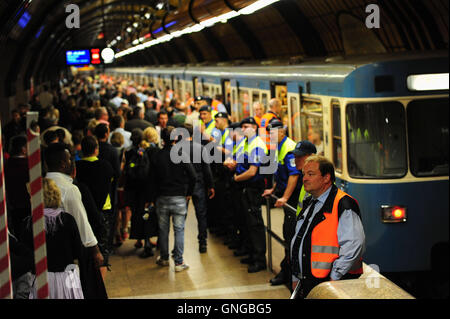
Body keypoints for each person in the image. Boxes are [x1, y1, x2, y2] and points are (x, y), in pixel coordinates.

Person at [291, 155, 365, 299]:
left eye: (310, 174)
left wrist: (334, 278)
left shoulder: (343, 204)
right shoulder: (310, 202)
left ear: (326, 178)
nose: (304, 178)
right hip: (309, 282)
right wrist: (296, 278)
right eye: (304, 174)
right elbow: (299, 240)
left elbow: (355, 245)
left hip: (330, 285)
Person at [44, 143, 106, 298]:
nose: (72, 162)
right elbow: (81, 221)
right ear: (63, 163)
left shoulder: (40, 186)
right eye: (70, 159)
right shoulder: (68, 189)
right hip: (70, 251)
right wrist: (95, 250)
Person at [22, 178, 84, 299]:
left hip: (42, 280)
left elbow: (26, 256)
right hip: (67, 278)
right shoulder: (68, 220)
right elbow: (78, 251)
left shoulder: (29, 224)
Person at [151, 126, 196, 272]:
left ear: (162, 139)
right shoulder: (181, 154)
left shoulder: (157, 155)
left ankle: (164, 258)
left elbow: (151, 178)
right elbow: (193, 176)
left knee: (163, 230)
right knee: (179, 230)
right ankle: (178, 262)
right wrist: (189, 193)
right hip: (179, 197)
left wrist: (153, 196)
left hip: (162, 197)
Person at [262, 120, 301, 287]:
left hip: (292, 199)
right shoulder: (279, 146)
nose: (270, 136)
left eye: (272, 133)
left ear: (282, 133)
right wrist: (273, 189)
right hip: (286, 195)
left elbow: (293, 176)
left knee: (290, 235)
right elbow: (281, 172)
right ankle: (287, 273)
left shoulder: (289, 148)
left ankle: (290, 274)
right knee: (287, 234)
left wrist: (284, 197)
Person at [75, 136, 115, 277]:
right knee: (102, 249)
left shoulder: (77, 167)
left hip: (83, 212)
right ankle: (99, 286)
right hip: (103, 211)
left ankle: (87, 281)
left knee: (86, 249)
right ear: (96, 149)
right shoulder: (105, 166)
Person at [233, 117, 268, 273]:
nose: (244, 128)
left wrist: (236, 178)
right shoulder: (246, 142)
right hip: (245, 188)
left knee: (255, 224)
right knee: (247, 223)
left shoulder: (257, 144)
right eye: (243, 126)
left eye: (247, 126)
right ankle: (252, 253)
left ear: (254, 127)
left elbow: (253, 171)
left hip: (252, 188)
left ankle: (260, 259)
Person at [177, 123, 215, 253]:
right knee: (201, 214)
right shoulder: (201, 148)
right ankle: (203, 242)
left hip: (184, 185)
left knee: (181, 216)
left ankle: (179, 246)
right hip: (199, 183)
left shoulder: (178, 149)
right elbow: (207, 169)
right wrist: (210, 186)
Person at [124, 128, 155, 258]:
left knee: (136, 213)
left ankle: (138, 240)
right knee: (146, 214)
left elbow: (127, 169)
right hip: (145, 189)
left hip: (133, 189)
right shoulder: (147, 151)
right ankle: (148, 240)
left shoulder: (128, 152)